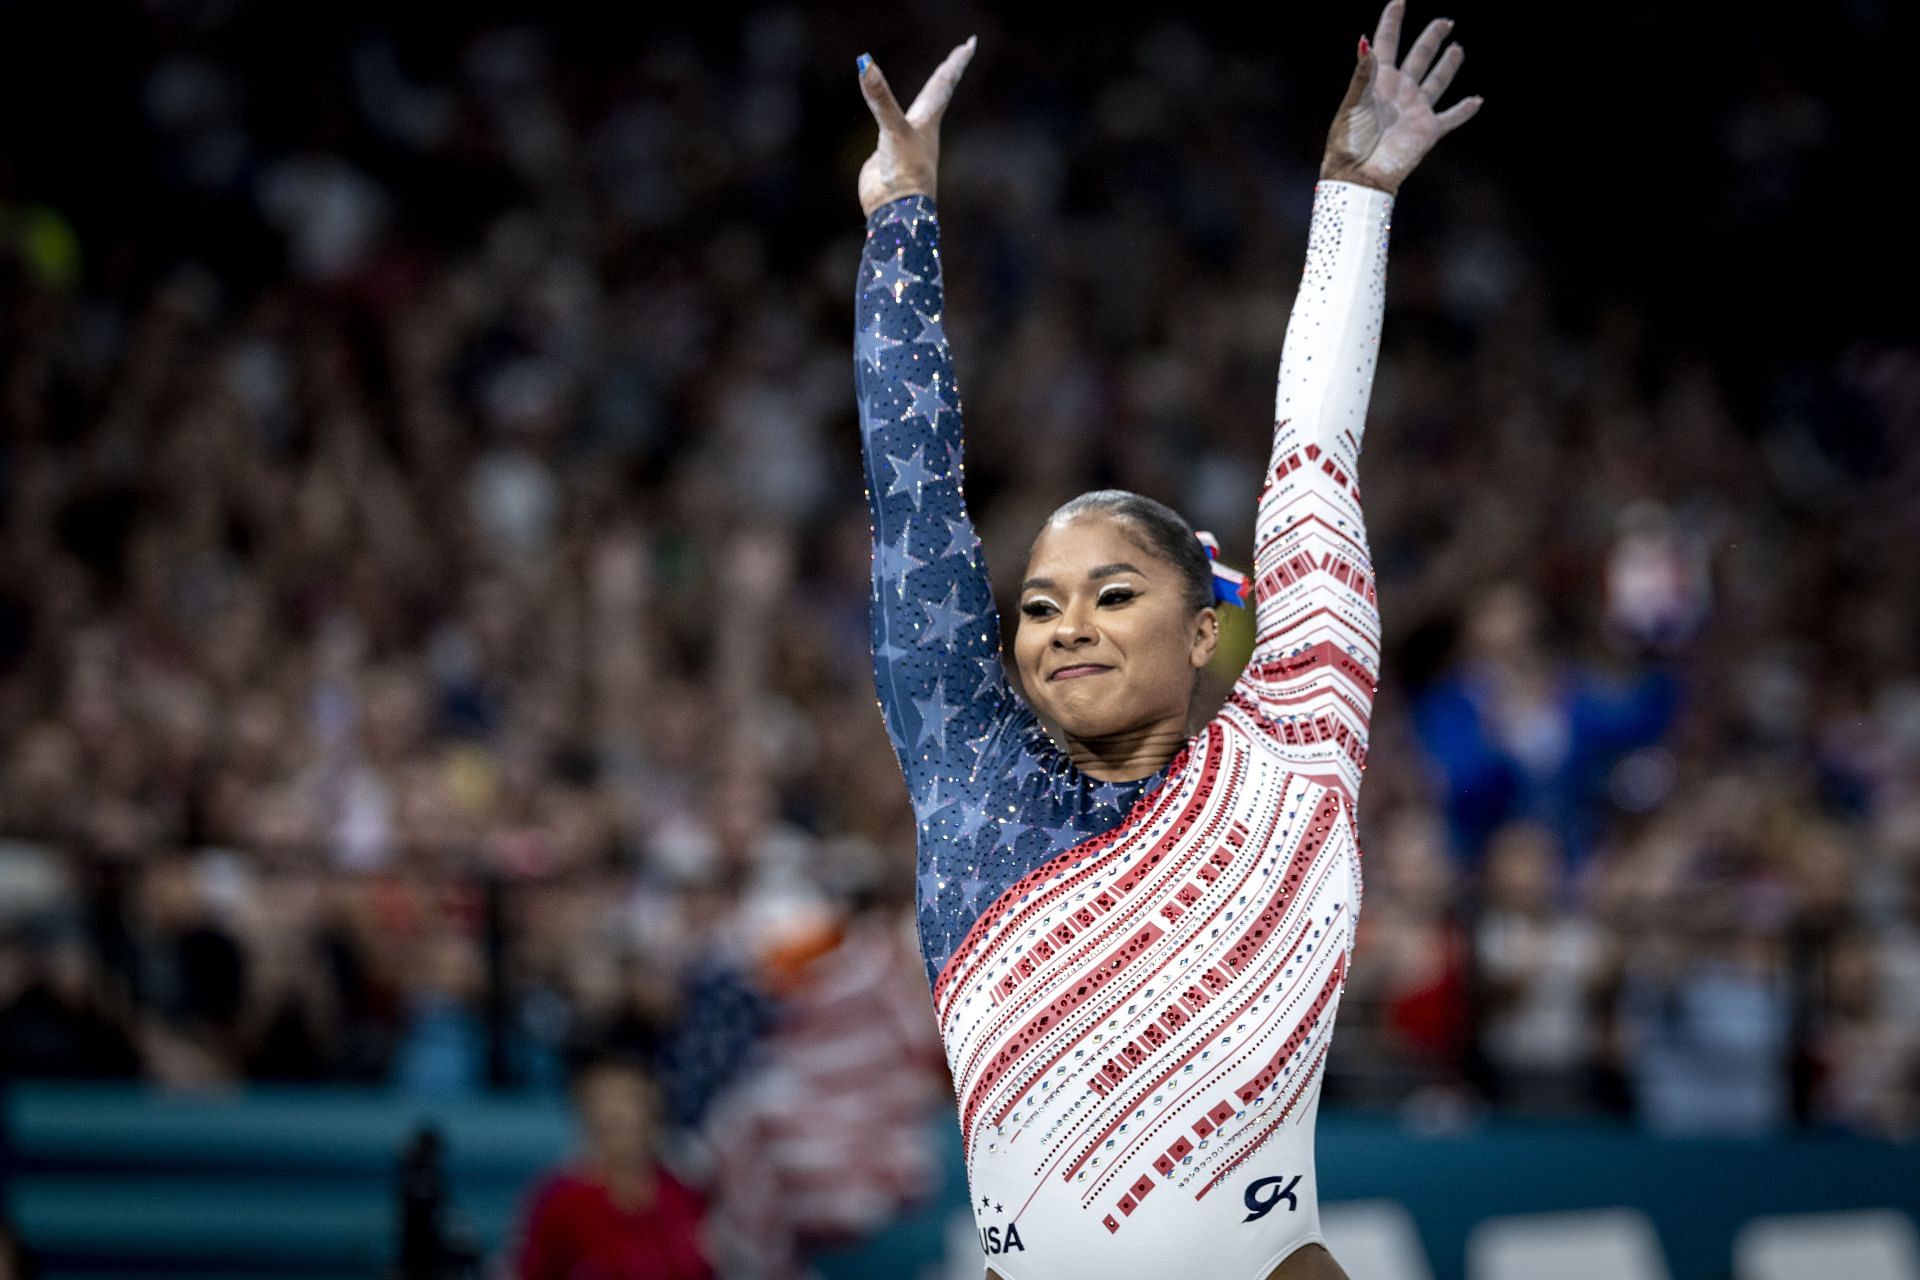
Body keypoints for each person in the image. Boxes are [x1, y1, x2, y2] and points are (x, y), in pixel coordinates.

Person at [851, 5, 1479, 1278]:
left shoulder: (1293, 750)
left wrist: (1354, 196)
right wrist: (896, 222)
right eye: (1036, 605)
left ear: (1207, 629)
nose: (1064, 622)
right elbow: (911, 486)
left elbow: (1315, 454)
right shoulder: (972, 778)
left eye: (1113, 593)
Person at [512, 1050, 713, 1280]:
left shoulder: (684, 1197)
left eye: (628, 1098)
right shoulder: (559, 1202)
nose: (615, 1112)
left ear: (652, 1106)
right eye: (603, 1099)